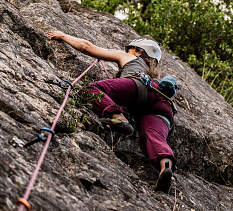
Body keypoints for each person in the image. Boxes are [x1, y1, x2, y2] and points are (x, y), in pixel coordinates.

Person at [45, 30, 176, 193]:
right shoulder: (154, 77)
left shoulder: (132, 58)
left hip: (138, 87)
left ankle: (118, 117)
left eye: (130, 49)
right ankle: (165, 168)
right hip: (162, 105)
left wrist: (62, 36)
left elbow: (86, 47)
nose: (127, 51)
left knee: (91, 89)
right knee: (153, 137)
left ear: (138, 51)